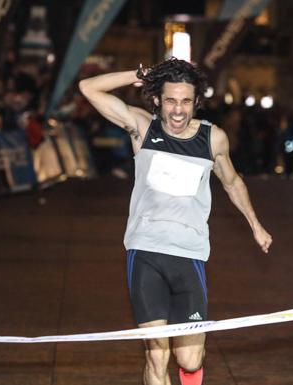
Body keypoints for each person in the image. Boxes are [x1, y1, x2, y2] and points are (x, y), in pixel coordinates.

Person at [78, 58, 272, 385]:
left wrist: (255, 224)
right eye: (170, 100)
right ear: (157, 100)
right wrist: (135, 75)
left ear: (197, 102)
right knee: (157, 354)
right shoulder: (142, 127)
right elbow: (88, 88)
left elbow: (232, 182)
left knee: (190, 359)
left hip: (189, 254)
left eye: (185, 101)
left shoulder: (213, 139)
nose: (178, 110)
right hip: (145, 251)